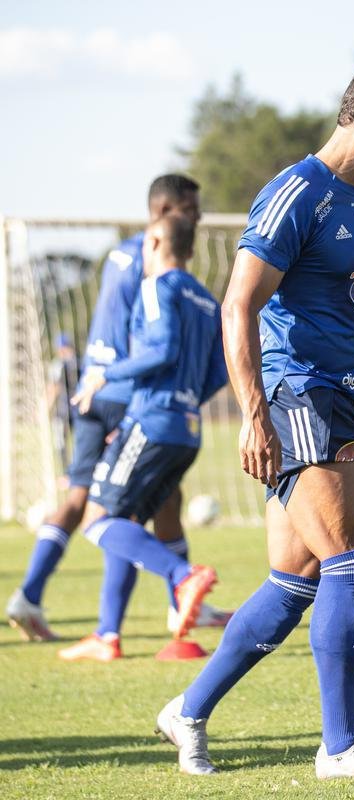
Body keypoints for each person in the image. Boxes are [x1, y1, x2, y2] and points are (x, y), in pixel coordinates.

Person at [155, 61, 354, 779]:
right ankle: (339, 745)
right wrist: (253, 416)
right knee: (350, 559)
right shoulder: (295, 192)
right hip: (296, 394)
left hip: (342, 394)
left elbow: (351, 299)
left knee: (294, 581)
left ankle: (186, 710)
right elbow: (237, 305)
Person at [6, 175, 229, 642]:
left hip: (121, 390)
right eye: (191, 210)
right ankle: (146, 603)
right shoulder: (152, 266)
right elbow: (145, 338)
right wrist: (125, 398)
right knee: (101, 505)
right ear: (165, 213)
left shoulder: (127, 257)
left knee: (139, 502)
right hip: (122, 396)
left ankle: (118, 619)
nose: (198, 218)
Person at [58, 213, 227, 661]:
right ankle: (107, 635)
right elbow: (219, 370)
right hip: (185, 430)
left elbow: (161, 349)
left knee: (97, 520)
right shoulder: (208, 301)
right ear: (192, 250)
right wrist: (184, 401)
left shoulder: (157, 286)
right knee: (125, 522)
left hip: (152, 421)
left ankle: (182, 575)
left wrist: (103, 376)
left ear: (154, 241)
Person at [46, 333, 80, 478]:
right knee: (74, 442)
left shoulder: (58, 365)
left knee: (62, 442)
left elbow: (54, 388)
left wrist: (45, 407)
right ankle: (72, 473)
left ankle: (68, 474)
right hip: (78, 408)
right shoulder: (80, 361)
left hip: (65, 410)